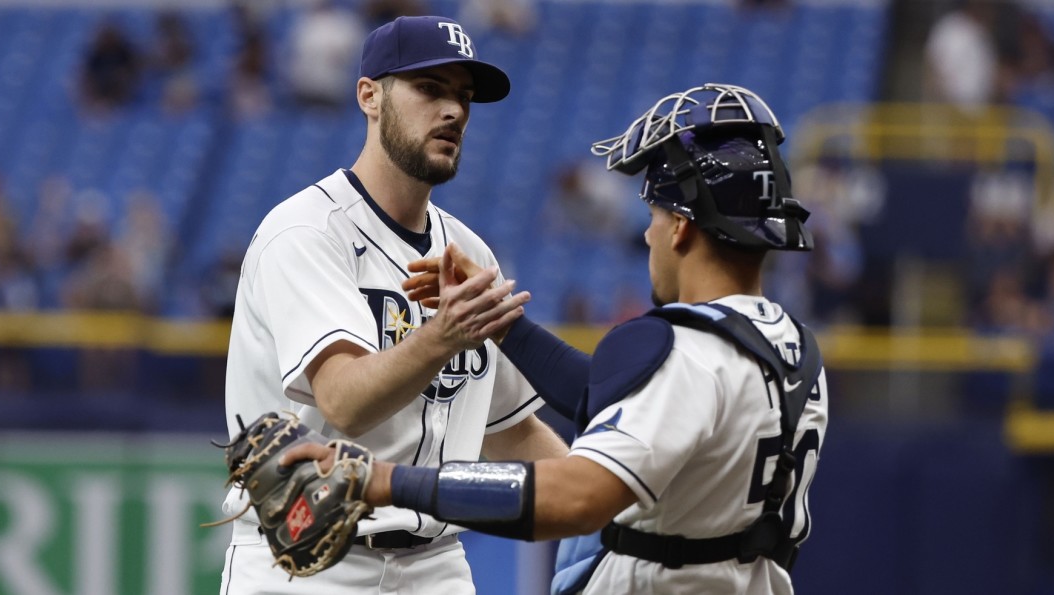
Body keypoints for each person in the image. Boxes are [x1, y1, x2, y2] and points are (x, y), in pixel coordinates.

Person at [285, 84, 830, 594]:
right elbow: (635, 401)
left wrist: (381, 482)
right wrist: (503, 322)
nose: (648, 233)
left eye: (654, 214)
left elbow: (576, 498)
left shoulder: (684, 353)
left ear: (682, 226)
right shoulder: (791, 347)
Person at [218, 16, 569, 594]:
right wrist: (443, 335)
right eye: (430, 90)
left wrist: (615, 498)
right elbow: (345, 400)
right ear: (369, 96)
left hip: (437, 563)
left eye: (464, 96)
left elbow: (510, 431)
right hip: (308, 563)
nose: (454, 111)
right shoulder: (305, 231)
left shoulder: (469, 251)